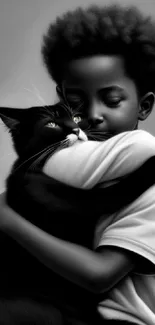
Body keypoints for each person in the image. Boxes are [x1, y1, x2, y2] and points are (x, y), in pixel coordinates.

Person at [1, 3, 155, 324]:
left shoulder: (143, 163)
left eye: (112, 101)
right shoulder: (74, 161)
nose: (93, 115)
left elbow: (99, 275)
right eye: (75, 104)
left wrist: (7, 219)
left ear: (144, 106)